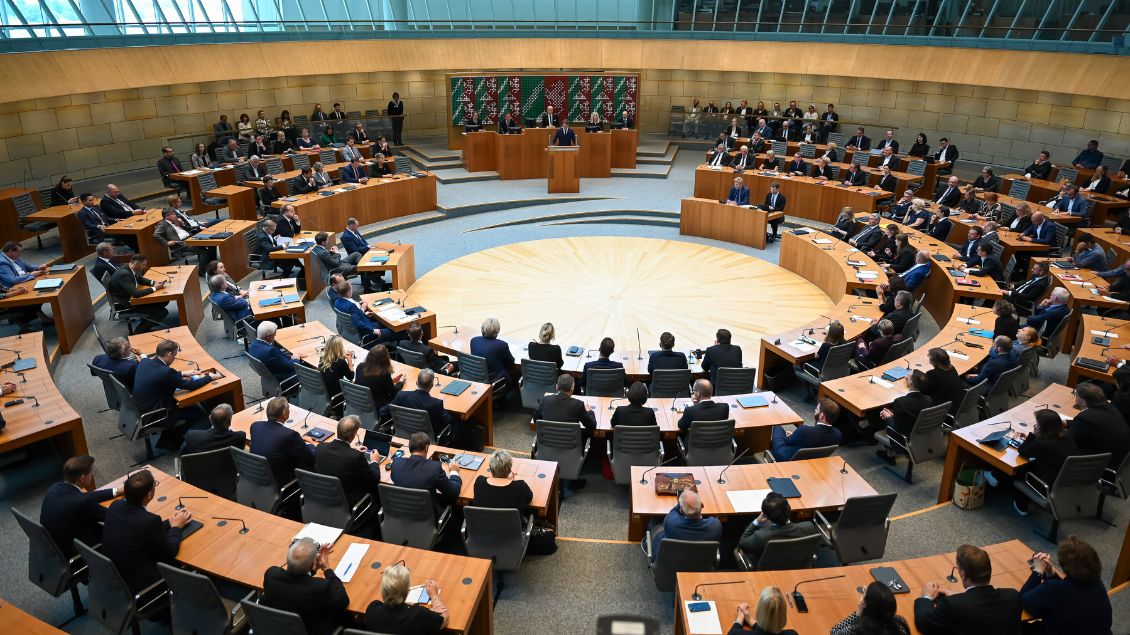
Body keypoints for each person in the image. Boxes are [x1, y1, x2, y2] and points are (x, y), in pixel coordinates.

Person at [101, 471, 190, 593]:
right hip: (144, 586)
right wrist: (176, 527)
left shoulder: (115, 506)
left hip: (116, 577)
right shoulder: (149, 521)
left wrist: (170, 522)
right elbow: (170, 551)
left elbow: (142, 531)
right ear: (149, 495)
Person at [914, 544, 1022, 635]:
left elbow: (924, 624)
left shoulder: (953, 605)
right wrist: (962, 597)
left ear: (963, 574)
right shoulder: (1013, 596)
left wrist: (927, 597)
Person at [1021, 536, 1113, 634]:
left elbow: (1022, 602)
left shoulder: (1054, 589)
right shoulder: (1097, 583)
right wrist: (1050, 573)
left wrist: (1038, 571)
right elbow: (1066, 591)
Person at [134, 338, 215, 447]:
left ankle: (167, 440)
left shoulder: (145, 362)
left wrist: (182, 373)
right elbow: (191, 386)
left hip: (144, 408)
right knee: (203, 416)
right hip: (159, 413)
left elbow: (159, 374)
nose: (174, 359)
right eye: (175, 356)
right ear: (170, 354)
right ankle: (181, 442)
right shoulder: (167, 372)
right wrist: (210, 377)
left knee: (191, 407)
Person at [262, 537, 350, 635]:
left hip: (274, 629)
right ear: (312, 563)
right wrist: (327, 568)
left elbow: (295, 582)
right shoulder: (320, 587)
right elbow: (343, 601)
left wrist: (312, 570)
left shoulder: (271, 574)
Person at [40, 455, 119, 557]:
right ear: (82, 478)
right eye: (91, 473)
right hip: (76, 551)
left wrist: (116, 491)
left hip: (55, 546)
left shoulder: (55, 488)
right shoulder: (83, 502)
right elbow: (113, 516)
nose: (92, 476)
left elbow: (88, 496)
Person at [1008, 408, 1079, 514]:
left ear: (1043, 427)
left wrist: (1032, 435)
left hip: (1046, 484)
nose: (1035, 425)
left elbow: (1022, 451)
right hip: (1067, 481)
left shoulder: (1042, 444)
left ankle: (1021, 505)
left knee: (1021, 469)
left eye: (1037, 423)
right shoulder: (1067, 435)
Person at [738, 490, 823, 565]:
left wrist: (756, 521)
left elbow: (742, 543)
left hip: (768, 571)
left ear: (766, 516)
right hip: (797, 565)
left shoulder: (760, 537)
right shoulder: (808, 527)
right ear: (789, 509)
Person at [315, 414, 382, 506]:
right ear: (353, 435)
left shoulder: (321, 447)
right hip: (347, 503)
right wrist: (375, 461)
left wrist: (352, 451)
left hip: (321, 496)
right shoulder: (355, 457)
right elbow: (374, 479)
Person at [365, 562, 447, 635]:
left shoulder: (373, 609)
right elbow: (444, 621)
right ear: (407, 590)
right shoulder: (418, 614)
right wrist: (434, 596)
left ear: (383, 588)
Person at [250, 396, 314, 485]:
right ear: (284, 413)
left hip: (256, 476)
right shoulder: (290, 435)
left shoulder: (255, 426)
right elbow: (310, 458)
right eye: (288, 407)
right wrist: (311, 444)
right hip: (280, 482)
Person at [646, 488, 721, 562]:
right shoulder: (716, 527)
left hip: (671, 565)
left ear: (681, 510)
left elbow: (673, 512)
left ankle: (646, 544)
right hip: (701, 565)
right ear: (702, 505)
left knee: (653, 522)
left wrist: (681, 503)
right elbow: (713, 518)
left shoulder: (671, 523)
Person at [390, 432, 462, 507]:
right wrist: (454, 472)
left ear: (410, 447)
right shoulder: (434, 468)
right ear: (427, 447)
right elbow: (454, 492)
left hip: (401, 511)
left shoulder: (396, 463)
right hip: (427, 516)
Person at [1069, 382, 1130, 470]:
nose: (1075, 397)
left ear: (1084, 401)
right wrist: (1067, 423)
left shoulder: (1086, 418)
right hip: (1118, 463)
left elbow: (1070, 440)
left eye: (1076, 395)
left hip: (1097, 467)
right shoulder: (1111, 409)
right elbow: (1089, 427)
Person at [877, 370, 932, 463]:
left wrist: (889, 417)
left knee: (883, 416)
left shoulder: (900, 402)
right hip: (923, 437)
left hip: (905, 439)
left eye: (908, 375)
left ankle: (890, 453)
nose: (906, 376)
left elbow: (898, 427)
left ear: (910, 382)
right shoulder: (928, 399)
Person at [107, 254, 168, 332]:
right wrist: (155, 288)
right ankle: (139, 331)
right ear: (136, 263)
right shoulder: (124, 274)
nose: (145, 267)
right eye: (143, 265)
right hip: (125, 305)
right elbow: (136, 294)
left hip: (129, 299)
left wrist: (154, 282)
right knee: (162, 312)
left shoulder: (129, 267)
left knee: (163, 300)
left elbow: (139, 278)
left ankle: (149, 321)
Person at [770, 397, 842, 461]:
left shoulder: (804, 431)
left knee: (778, 428)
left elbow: (788, 442)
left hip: (786, 457)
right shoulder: (838, 435)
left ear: (821, 415)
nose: (815, 410)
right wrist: (796, 435)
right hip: (813, 461)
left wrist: (795, 435)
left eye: (817, 409)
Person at [387, 368, 453, 434]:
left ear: (416, 382)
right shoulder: (436, 403)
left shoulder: (401, 395)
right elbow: (447, 421)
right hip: (425, 439)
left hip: (403, 434)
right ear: (432, 386)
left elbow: (386, 411)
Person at [831, 581, 910, 635]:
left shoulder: (856, 630)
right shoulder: (899, 624)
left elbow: (834, 631)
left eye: (864, 594)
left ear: (865, 605)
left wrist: (857, 614)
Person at [333, 282, 397, 347]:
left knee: (383, 323)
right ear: (348, 292)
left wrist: (363, 313)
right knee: (396, 331)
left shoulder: (337, 302)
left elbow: (352, 317)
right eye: (351, 289)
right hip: (366, 332)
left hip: (353, 331)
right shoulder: (351, 306)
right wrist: (374, 331)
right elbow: (359, 324)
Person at [534, 374, 596, 439]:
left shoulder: (545, 400)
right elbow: (591, 426)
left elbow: (535, 419)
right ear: (572, 388)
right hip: (570, 445)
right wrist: (589, 411)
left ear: (557, 387)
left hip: (548, 443)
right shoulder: (578, 405)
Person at [471, 449, 533, 514]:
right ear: (509, 470)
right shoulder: (520, 486)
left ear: (491, 469)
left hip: (482, 523)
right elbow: (529, 498)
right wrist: (511, 480)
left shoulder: (479, 482)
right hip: (510, 524)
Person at [355, 345, 404, 414]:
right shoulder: (384, 374)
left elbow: (372, 383)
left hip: (360, 403)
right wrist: (401, 382)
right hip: (378, 408)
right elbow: (394, 394)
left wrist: (392, 380)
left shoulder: (360, 367)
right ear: (385, 359)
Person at [728, 587, 797, 635]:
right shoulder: (792, 633)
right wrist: (750, 620)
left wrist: (739, 619)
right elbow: (766, 632)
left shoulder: (737, 633)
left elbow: (732, 633)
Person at [181, 403, 246, 454]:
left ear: (210, 418)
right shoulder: (240, 437)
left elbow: (183, 454)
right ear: (229, 423)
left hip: (201, 469)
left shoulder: (192, 436)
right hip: (228, 470)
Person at [249, 321, 299, 386]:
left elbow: (278, 360)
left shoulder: (252, 345)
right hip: (286, 379)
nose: (274, 337)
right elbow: (290, 367)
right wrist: (296, 359)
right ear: (268, 337)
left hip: (271, 377)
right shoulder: (271, 351)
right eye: (274, 335)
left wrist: (289, 357)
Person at [470, 317, 515, 387]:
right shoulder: (502, 345)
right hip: (494, 383)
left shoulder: (474, 341)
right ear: (497, 331)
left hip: (475, 379)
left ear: (482, 329)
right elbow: (511, 363)